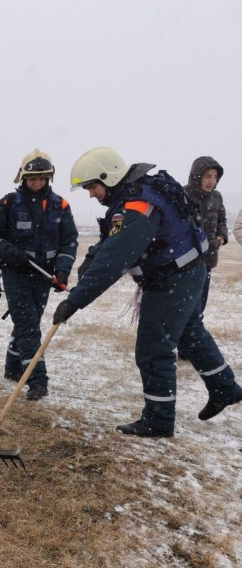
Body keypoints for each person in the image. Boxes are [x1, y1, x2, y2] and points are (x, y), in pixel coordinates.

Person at [55, 147, 242, 437]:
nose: (91, 194)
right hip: (188, 271)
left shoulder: (138, 205)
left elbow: (116, 257)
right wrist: (92, 256)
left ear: (109, 176)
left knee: (154, 348)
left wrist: (75, 301)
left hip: (172, 280)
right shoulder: (134, 196)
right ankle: (225, 389)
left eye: (92, 186)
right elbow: (111, 239)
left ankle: (158, 419)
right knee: (191, 334)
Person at [0, 149, 79, 400]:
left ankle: (13, 368)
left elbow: (69, 242)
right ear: (23, 178)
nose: (36, 183)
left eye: (41, 178)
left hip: (43, 276)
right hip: (15, 274)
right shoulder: (7, 204)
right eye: (32, 178)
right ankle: (37, 379)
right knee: (27, 326)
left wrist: (62, 271)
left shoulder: (61, 206)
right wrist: (9, 251)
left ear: (48, 178)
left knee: (29, 323)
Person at [183, 156, 228, 314]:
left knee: (199, 308)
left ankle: (193, 335)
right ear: (197, 176)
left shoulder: (217, 197)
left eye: (215, 177)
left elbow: (222, 220)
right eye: (207, 176)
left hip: (208, 260)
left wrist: (221, 237)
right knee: (184, 309)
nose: (212, 181)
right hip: (186, 262)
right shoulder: (183, 195)